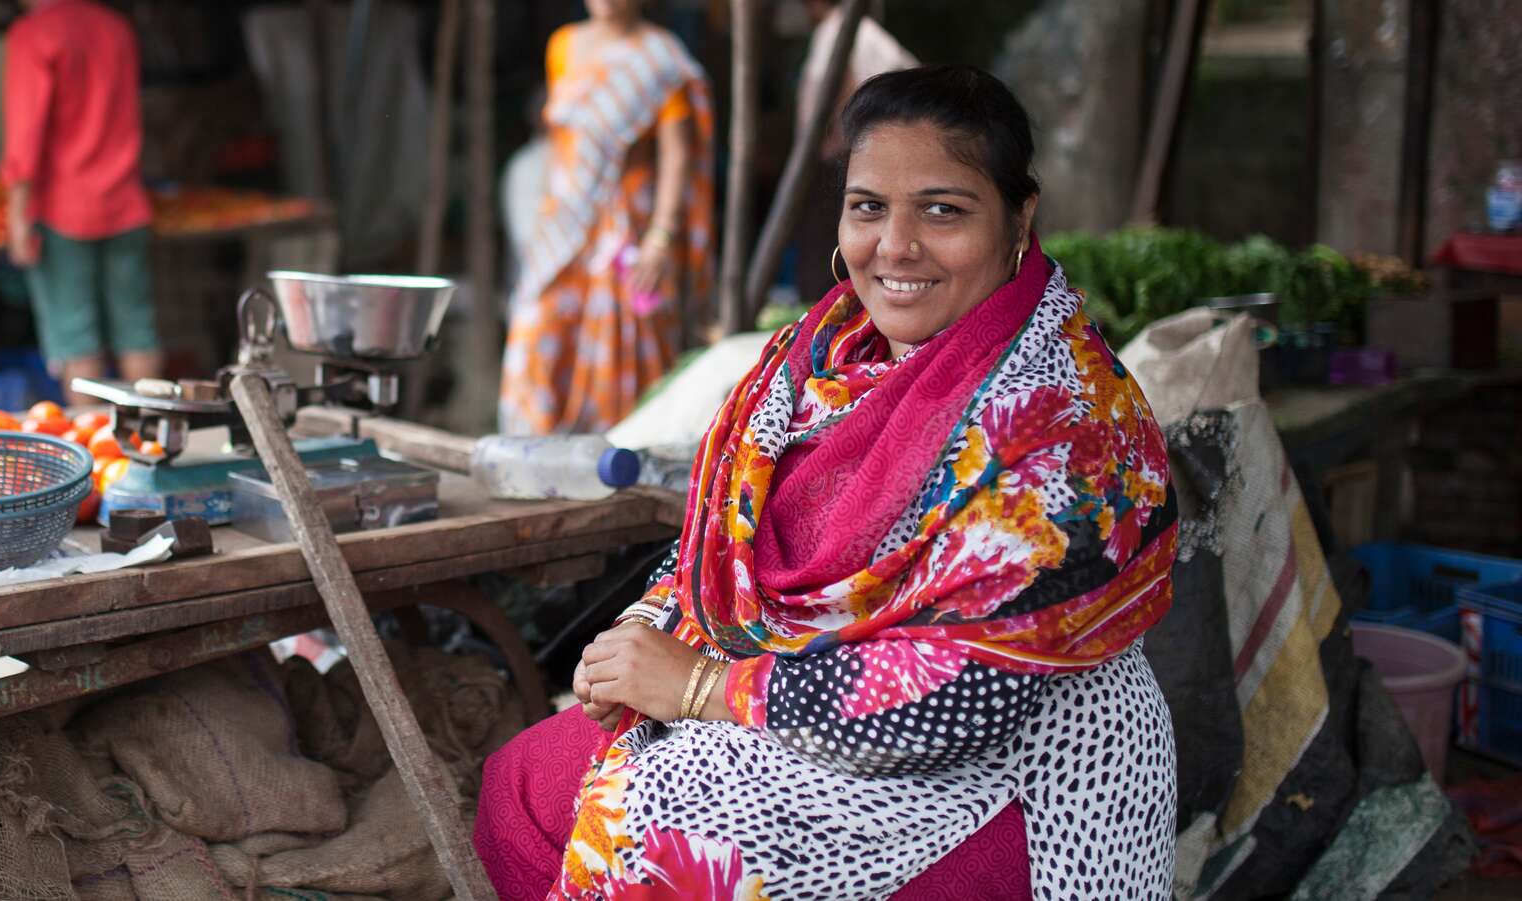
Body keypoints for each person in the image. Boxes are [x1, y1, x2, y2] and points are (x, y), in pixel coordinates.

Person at [476, 65, 1179, 900]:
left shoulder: (1066, 423)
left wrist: (700, 685)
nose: (897, 246)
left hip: (1005, 774)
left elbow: (965, 701)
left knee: (657, 829)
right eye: (869, 206)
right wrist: (637, 636)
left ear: (1020, 218)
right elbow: (719, 544)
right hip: (783, 702)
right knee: (519, 788)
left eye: (944, 210)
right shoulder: (817, 359)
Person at [498, 0, 715, 435]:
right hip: (563, 223)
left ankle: (618, 459)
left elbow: (676, 155)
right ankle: (535, 453)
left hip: (625, 230)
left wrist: (660, 238)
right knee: (538, 331)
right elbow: (563, 143)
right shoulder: (564, 45)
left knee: (621, 347)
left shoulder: (661, 57)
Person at [1, 0, 161, 402]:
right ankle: (154, 444)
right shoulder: (115, 27)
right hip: (126, 201)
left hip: (63, 209)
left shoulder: (34, 34)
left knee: (76, 341)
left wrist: (17, 216)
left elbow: (25, 134)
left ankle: (93, 452)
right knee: (137, 333)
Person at [793, 0, 918, 309]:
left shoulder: (840, 31)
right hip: (866, 154)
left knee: (829, 247)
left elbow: (843, 86)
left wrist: (833, 143)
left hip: (850, 155)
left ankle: (833, 309)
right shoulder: (868, 34)